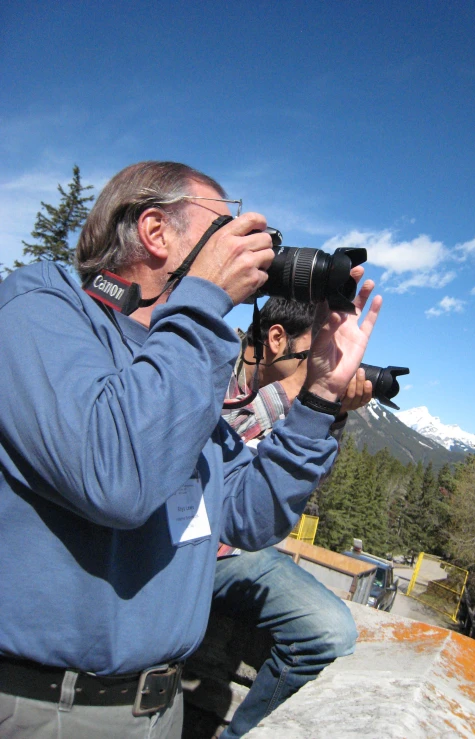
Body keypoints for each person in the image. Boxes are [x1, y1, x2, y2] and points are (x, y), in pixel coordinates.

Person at [0, 160, 381, 738]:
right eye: (228, 229)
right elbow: (117, 479)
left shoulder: (180, 356)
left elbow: (248, 516)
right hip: (53, 710)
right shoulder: (43, 307)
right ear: (155, 232)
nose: (250, 250)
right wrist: (204, 302)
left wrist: (321, 400)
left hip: (158, 707)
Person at [212, 298, 374, 739]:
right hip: (187, 545)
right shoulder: (214, 362)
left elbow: (297, 492)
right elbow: (219, 436)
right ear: (276, 339)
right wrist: (299, 395)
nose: (327, 358)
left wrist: (329, 414)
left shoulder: (301, 401)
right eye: (320, 346)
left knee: (330, 631)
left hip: (237, 553)